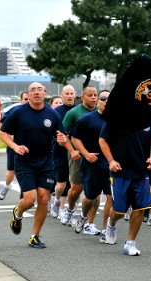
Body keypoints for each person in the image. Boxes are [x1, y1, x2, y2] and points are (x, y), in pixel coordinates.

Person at [0, 82, 67, 248]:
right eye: (32, 90)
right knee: (29, 200)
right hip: (24, 161)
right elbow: (3, 133)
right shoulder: (18, 112)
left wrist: (62, 140)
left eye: (39, 90)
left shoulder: (52, 114)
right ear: (27, 95)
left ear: (45, 94)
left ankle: (34, 236)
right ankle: (18, 213)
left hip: (46, 161)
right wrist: (15, 147)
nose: (36, 92)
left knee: (43, 198)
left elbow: (62, 135)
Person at [99, 118, 151, 256]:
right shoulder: (117, 117)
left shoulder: (149, 118)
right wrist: (111, 160)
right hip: (120, 171)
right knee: (119, 210)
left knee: (140, 208)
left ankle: (130, 243)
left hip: (141, 172)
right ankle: (111, 224)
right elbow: (102, 140)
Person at [71, 90, 113, 240]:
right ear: (98, 102)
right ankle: (83, 216)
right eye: (103, 98)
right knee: (90, 197)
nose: (106, 101)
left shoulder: (116, 120)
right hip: (92, 163)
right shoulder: (87, 119)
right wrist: (86, 154)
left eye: (109, 99)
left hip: (110, 164)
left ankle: (105, 230)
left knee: (111, 197)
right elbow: (75, 138)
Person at [60, 86, 98, 229]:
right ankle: (69, 210)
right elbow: (62, 135)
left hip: (97, 156)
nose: (93, 97)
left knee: (95, 190)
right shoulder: (73, 113)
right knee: (76, 188)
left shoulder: (101, 112)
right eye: (90, 95)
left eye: (95, 95)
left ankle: (90, 223)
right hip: (79, 155)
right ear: (82, 97)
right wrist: (72, 151)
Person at [50, 85, 77, 219]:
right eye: (67, 93)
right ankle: (56, 200)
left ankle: (64, 209)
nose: (69, 96)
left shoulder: (78, 110)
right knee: (61, 184)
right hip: (59, 150)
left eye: (72, 93)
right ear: (62, 95)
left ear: (75, 95)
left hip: (76, 151)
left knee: (74, 183)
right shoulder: (56, 112)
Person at [0, 91, 29, 201]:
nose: (28, 101)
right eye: (25, 99)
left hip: (30, 148)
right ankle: (7, 186)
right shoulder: (15, 111)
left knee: (26, 172)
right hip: (14, 146)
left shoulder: (38, 110)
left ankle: (23, 194)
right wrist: (12, 141)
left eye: (29, 99)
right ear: (20, 101)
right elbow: (0, 125)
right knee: (11, 171)